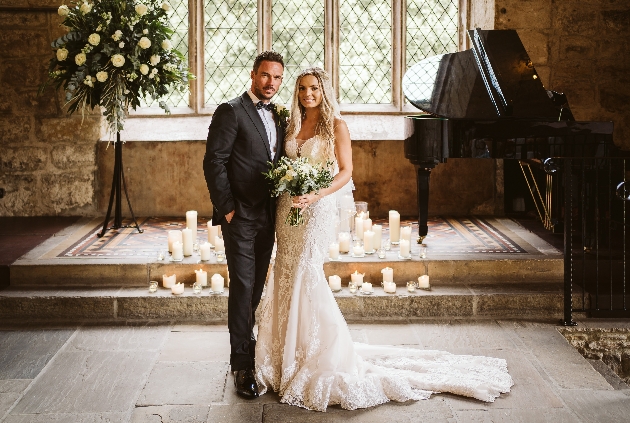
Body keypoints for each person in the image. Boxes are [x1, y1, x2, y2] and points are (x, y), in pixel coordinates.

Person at [254, 67, 514, 411]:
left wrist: (315, 195)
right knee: (285, 269)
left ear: (324, 90)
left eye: (313, 88)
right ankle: (281, 354)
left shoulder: (336, 126)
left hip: (315, 208)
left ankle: (312, 355)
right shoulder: (290, 123)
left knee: (305, 272)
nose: (307, 94)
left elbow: (346, 172)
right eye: (302, 88)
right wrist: (290, 187)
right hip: (288, 207)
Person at [203, 51, 286, 399]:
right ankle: (241, 366)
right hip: (240, 217)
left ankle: (254, 350)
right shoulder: (230, 111)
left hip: (269, 216)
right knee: (242, 284)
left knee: (256, 288)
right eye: (265, 76)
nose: (271, 83)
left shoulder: (280, 116)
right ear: (253, 75)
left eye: (277, 78)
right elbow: (214, 162)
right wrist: (228, 210)